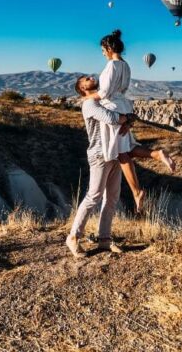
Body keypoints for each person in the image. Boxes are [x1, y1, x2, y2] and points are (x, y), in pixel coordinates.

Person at [95, 30, 175, 213]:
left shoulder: (111, 66)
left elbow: (104, 92)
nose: (102, 53)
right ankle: (156, 155)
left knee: (121, 154)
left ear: (108, 48)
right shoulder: (125, 65)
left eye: (102, 50)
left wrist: (89, 98)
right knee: (127, 150)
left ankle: (136, 191)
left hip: (112, 109)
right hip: (124, 106)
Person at [66, 75, 133, 257]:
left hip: (115, 152)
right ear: (82, 88)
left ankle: (104, 239)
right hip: (99, 155)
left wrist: (128, 117)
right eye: (85, 79)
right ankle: (73, 236)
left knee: (112, 197)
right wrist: (127, 118)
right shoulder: (89, 104)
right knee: (94, 196)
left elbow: (126, 113)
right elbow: (112, 118)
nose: (90, 77)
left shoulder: (106, 100)